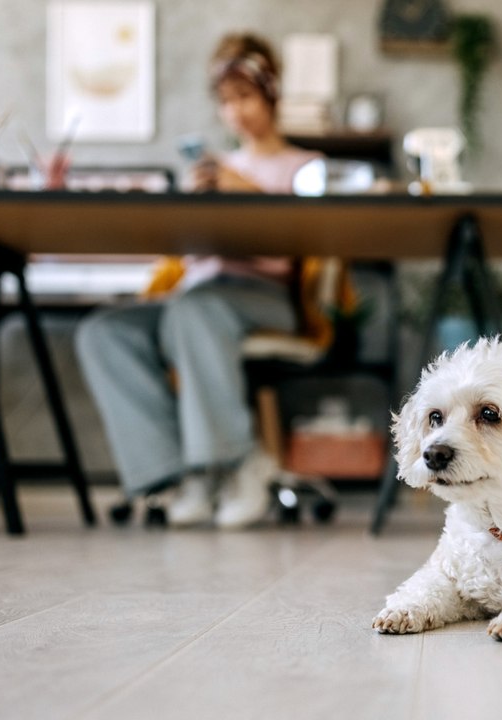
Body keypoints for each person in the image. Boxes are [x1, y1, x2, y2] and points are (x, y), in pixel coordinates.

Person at [76, 32, 328, 529]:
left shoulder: (306, 168)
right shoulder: (214, 169)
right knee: (105, 332)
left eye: (246, 97)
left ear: (271, 95)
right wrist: (192, 211)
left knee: (194, 310)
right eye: (226, 102)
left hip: (267, 297)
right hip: (198, 298)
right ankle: (177, 473)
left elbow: (296, 248)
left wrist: (245, 192)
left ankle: (236, 462)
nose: (236, 112)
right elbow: (187, 259)